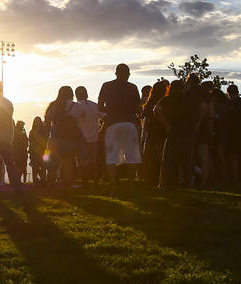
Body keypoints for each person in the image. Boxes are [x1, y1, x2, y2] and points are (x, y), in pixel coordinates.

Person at [97, 63, 142, 193]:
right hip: (129, 123)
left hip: (113, 123)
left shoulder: (106, 86)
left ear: (116, 73)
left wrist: (109, 113)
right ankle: (131, 185)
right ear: (128, 74)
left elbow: (100, 107)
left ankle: (113, 186)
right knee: (131, 155)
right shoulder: (133, 87)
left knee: (111, 156)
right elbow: (138, 108)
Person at [44, 85, 80, 188]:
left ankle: (50, 184)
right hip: (70, 138)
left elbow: (46, 123)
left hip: (54, 138)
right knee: (68, 163)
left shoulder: (52, 105)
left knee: (52, 164)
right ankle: (67, 185)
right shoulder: (74, 105)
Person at [70, 85, 102, 184]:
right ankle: (95, 180)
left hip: (80, 138)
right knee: (93, 160)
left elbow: (70, 121)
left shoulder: (75, 106)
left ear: (76, 95)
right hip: (94, 137)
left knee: (82, 161)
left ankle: (85, 182)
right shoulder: (94, 105)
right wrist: (100, 130)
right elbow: (105, 117)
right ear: (86, 94)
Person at [140, 80, 169, 188]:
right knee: (161, 157)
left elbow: (144, 118)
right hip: (162, 132)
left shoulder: (150, 102)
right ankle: (161, 180)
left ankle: (149, 180)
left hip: (151, 132)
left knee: (148, 157)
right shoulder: (165, 102)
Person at [28, 116, 48, 184]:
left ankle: (43, 180)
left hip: (43, 152)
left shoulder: (44, 131)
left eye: (38, 121)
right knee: (35, 167)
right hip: (34, 153)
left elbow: (45, 142)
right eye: (36, 122)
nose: (37, 123)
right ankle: (35, 182)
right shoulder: (32, 131)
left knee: (43, 167)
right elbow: (30, 142)